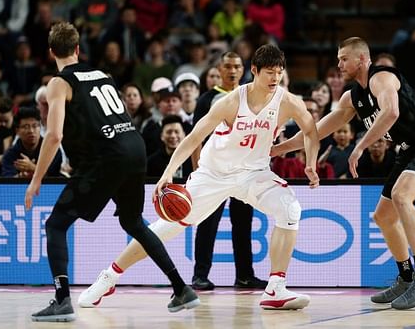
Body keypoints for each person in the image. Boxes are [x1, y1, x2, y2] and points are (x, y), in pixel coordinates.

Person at [79, 44, 319, 310]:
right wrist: (169, 172)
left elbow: (311, 131)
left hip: (254, 173)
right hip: (213, 175)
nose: (275, 78)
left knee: (290, 209)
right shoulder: (230, 102)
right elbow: (194, 137)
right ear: (254, 71)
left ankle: (275, 288)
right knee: (164, 228)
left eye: (279, 72)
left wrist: (310, 163)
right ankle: (108, 277)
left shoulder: (287, 101)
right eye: (269, 73)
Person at [24, 22, 199, 322]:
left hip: (106, 157)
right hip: (135, 147)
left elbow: (53, 136)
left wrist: (36, 179)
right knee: (134, 222)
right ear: (78, 49)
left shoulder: (58, 83)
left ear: (51, 51)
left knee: (55, 225)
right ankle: (182, 288)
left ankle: (62, 299)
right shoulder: (102, 75)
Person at [272, 37, 415, 310]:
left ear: (362, 59)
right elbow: (316, 131)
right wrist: (278, 149)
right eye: (338, 59)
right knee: (383, 216)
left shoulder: (382, 77)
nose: (339, 64)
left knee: (402, 196)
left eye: (344, 58)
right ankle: (406, 277)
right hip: (409, 150)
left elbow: (391, 112)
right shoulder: (352, 97)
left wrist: (360, 146)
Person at [190, 51, 267, 291]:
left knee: (243, 225)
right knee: (207, 223)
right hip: (214, 171)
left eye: (236, 66)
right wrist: (197, 171)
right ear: (219, 70)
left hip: (243, 171)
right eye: (227, 67)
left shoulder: (251, 96)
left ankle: (245, 275)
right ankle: (199, 275)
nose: (232, 71)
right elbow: (196, 138)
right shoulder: (207, 100)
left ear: (243, 69)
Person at [2, 107, 63, 178]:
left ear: (40, 127)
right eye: (26, 127)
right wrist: (21, 176)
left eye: (35, 126)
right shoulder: (10, 155)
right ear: (17, 131)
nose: (31, 131)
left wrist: (33, 168)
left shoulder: (52, 150)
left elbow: (55, 179)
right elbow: (7, 182)